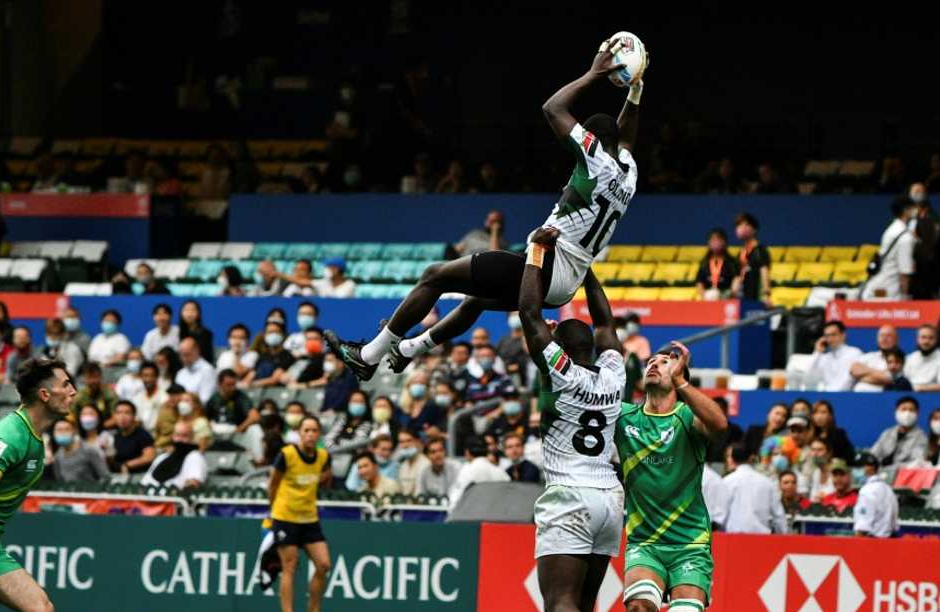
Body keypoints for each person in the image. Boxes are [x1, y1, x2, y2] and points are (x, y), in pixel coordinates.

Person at [325, 40, 643, 383]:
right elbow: (624, 138)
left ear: (592, 139)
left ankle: (368, 355)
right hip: (567, 284)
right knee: (474, 301)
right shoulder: (628, 173)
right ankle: (407, 351)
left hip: (547, 265)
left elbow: (553, 109)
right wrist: (634, 91)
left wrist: (594, 74)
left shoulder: (594, 159)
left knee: (436, 274)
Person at [516, 235, 627, 612]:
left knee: (558, 603)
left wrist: (539, 256)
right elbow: (605, 322)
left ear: (560, 348)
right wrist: (585, 269)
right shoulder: (614, 374)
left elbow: (528, 313)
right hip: (610, 498)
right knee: (583, 606)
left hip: (569, 494)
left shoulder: (558, 372)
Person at [615, 341, 754, 612]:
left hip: (690, 543)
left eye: (665, 362)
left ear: (680, 378)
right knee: (639, 611)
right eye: (651, 362)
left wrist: (684, 385)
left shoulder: (687, 419)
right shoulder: (624, 418)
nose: (654, 365)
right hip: (645, 542)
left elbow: (721, 425)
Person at [0, 358, 107, 612]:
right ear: (45, 394)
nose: (73, 391)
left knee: (38, 606)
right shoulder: (11, 434)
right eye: (66, 384)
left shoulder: (34, 437)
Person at [267, 415, 335, 612]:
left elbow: (326, 477)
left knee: (324, 564)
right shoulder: (287, 455)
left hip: (309, 518)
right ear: (299, 433)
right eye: (306, 430)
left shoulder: (323, 456)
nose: (310, 434)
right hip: (285, 517)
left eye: (314, 430)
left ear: (319, 435)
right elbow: (273, 483)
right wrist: (274, 511)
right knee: (290, 566)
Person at [720, 442, 785, 534]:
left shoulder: (726, 482)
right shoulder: (767, 483)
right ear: (750, 458)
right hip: (760, 540)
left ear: (732, 458)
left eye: (729, 456)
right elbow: (779, 516)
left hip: (732, 540)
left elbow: (719, 515)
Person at [863, 196, 916, 301]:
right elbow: (904, 272)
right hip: (888, 292)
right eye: (912, 208)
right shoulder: (905, 237)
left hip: (877, 287)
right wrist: (905, 297)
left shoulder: (891, 229)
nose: (915, 211)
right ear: (906, 211)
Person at [205, 369, 261, 453]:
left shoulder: (240, 397)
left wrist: (238, 429)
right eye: (228, 385)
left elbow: (255, 416)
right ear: (220, 384)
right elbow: (204, 417)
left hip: (235, 430)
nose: (232, 388)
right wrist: (210, 425)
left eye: (234, 384)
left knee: (255, 429)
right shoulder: (213, 398)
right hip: (216, 431)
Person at [446, 436, 508, 506]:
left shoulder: (467, 470)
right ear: (487, 451)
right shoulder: (500, 472)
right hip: (497, 514)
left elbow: (455, 500)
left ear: (467, 452)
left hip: (473, 514)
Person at [870, 396, 927, 467]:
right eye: (904, 409)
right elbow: (873, 454)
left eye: (911, 410)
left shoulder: (921, 437)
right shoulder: (887, 433)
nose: (907, 413)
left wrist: (892, 468)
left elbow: (916, 462)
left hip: (903, 474)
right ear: (896, 412)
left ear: (917, 414)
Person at [47, 418, 109, 482]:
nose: (63, 432)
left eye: (67, 429)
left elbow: (105, 476)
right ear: (54, 433)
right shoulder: (57, 456)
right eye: (59, 430)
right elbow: (59, 481)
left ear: (74, 431)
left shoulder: (89, 450)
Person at [805, 321, 862, 392]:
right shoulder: (824, 357)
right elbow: (808, 378)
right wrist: (817, 352)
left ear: (843, 335)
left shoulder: (854, 353)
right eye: (827, 336)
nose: (830, 339)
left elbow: (850, 380)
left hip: (847, 396)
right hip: (827, 397)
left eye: (833, 335)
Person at [853, 451, 899, 537]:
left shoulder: (867, 490)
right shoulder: (888, 489)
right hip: (889, 541)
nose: (856, 470)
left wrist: (856, 548)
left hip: (871, 543)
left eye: (860, 466)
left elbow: (862, 527)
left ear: (871, 467)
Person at [733, 212, 771, 306]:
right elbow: (738, 275)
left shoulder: (760, 250)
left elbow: (764, 272)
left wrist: (766, 295)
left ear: (754, 229)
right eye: (738, 226)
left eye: (745, 225)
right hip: (742, 298)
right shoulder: (741, 253)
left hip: (756, 298)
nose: (740, 229)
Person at [110, 400, 156, 475]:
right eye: (119, 413)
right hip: (117, 475)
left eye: (127, 413)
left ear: (133, 416)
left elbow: (149, 457)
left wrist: (126, 465)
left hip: (138, 475)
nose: (122, 417)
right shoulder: (114, 435)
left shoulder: (142, 434)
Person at [904, 325, 940, 392]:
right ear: (917, 339)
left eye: (931, 338)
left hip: (934, 398)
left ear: (936, 340)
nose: (926, 341)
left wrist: (917, 388)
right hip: (909, 396)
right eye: (923, 337)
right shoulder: (910, 358)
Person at [850, 325, 900, 392]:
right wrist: (879, 373)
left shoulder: (900, 359)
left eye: (888, 336)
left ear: (896, 339)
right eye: (882, 335)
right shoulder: (869, 356)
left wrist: (861, 377)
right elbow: (853, 369)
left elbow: (889, 380)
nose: (884, 339)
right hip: (856, 396)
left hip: (880, 398)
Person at [695, 228, 740, 300]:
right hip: (708, 297)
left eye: (719, 239)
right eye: (713, 240)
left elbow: (736, 279)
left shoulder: (732, 262)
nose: (716, 242)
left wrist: (731, 293)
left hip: (727, 296)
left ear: (724, 242)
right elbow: (699, 282)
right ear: (709, 243)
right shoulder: (704, 263)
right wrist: (704, 295)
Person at [71, 362, 117, 427]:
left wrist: (98, 428)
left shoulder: (110, 395)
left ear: (101, 377)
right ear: (85, 379)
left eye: (96, 377)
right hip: (84, 430)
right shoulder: (79, 397)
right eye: (89, 377)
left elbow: (116, 418)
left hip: (106, 429)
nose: (93, 381)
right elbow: (72, 418)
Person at [250, 321, 294, 388]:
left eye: (276, 332)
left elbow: (274, 380)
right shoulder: (262, 356)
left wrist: (253, 384)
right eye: (270, 332)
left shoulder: (288, 355)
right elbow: (252, 374)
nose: (273, 334)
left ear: (282, 334)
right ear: (265, 335)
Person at [174, 337, 217, 405]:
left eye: (187, 355)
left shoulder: (207, 371)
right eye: (181, 355)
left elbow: (205, 400)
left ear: (197, 351)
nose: (184, 359)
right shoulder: (180, 373)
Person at [811, 400, 854, 465]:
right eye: (816, 412)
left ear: (830, 415)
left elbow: (849, 456)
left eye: (823, 412)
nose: (819, 416)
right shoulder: (809, 435)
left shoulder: (839, 434)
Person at [131, 362, 166, 433]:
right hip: (140, 436)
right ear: (141, 377)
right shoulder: (136, 397)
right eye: (145, 376)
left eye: (152, 376)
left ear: (157, 377)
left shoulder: (165, 397)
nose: (148, 379)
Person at [178, 300, 215, 366]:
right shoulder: (177, 332)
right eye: (186, 310)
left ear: (198, 313)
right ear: (181, 313)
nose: (189, 313)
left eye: (192, 310)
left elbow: (208, 357)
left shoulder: (206, 334)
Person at [394, 430, 428, 494]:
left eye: (409, 441)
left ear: (418, 441)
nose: (405, 445)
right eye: (401, 442)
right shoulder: (403, 465)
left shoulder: (426, 464)